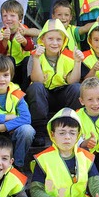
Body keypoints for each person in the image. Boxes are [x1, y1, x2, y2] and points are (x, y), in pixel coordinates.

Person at [30, 108, 99, 197]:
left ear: (78, 135)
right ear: (52, 134)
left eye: (72, 133)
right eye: (62, 133)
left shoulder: (85, 157)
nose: (67, 137)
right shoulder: (43, 158)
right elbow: (35, 191)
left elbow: (96, 183)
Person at [26, 19, 84, 147]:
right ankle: (39, 130)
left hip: (62, 94)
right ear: (42, 40)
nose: (54, 43)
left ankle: (72, 125)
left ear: (64, 41)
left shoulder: (69, 55)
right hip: (44, 96)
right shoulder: (34, 55)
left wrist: (77, 62)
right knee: (36, 88)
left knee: (77, 88)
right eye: (50, 38)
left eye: (59, 39)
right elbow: (37, 80)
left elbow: (72, 81)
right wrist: (36, 59)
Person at [0, 0, 37, 89]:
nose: (8, 18)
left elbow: (30, 47)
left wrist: (23, 41)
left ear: (20, 19)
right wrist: (5, 40)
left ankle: (25, 92)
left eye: (12, 15)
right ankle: (10, 90)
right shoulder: (1, 32)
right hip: (9, 68)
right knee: (9, 59)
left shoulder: (24, 30)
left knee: (28, 60)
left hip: (23, 67)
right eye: (5, 16)